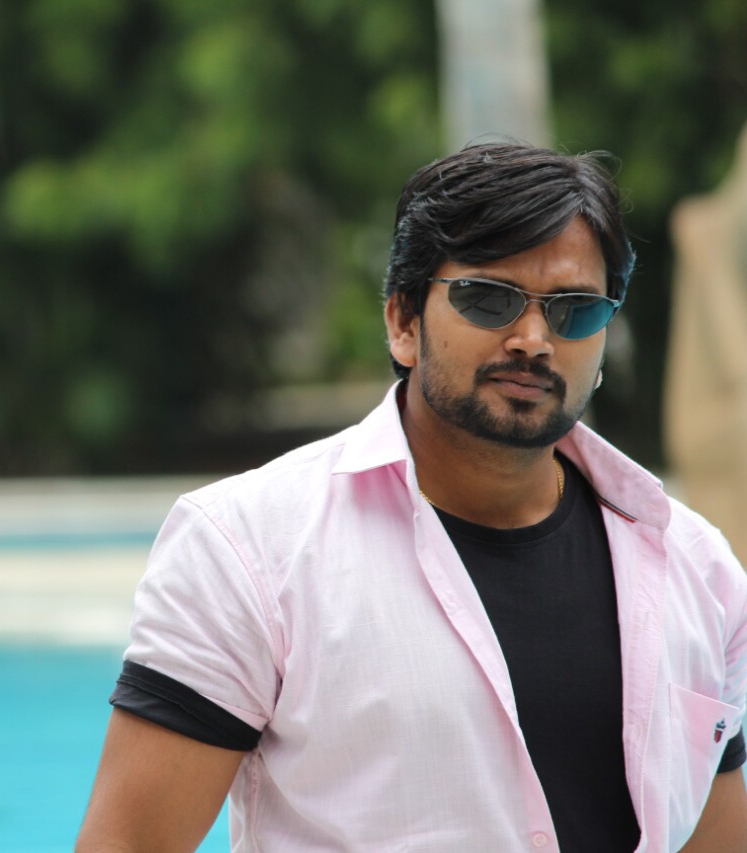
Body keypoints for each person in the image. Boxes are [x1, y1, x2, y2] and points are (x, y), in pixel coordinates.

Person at [75, 142, 747, 852]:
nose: (533, 339)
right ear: (403, 322)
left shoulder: (697, 568)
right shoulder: (249, 549)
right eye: (489, 298)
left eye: (575, 311)